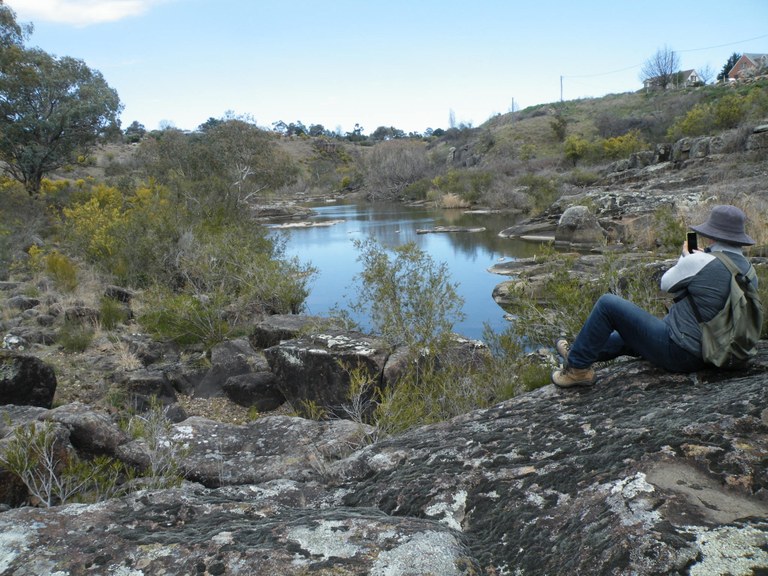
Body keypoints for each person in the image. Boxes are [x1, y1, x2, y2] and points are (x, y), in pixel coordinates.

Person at [551, 204, 758, 388]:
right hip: (718, 351)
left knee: (608, 304)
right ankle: (578, 351)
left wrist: (686, 258)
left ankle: (577, 370)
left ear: (713, 234)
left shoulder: (701, 261)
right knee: (630, 333)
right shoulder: (748, 270)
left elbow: (666, 284)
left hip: (682, 353)